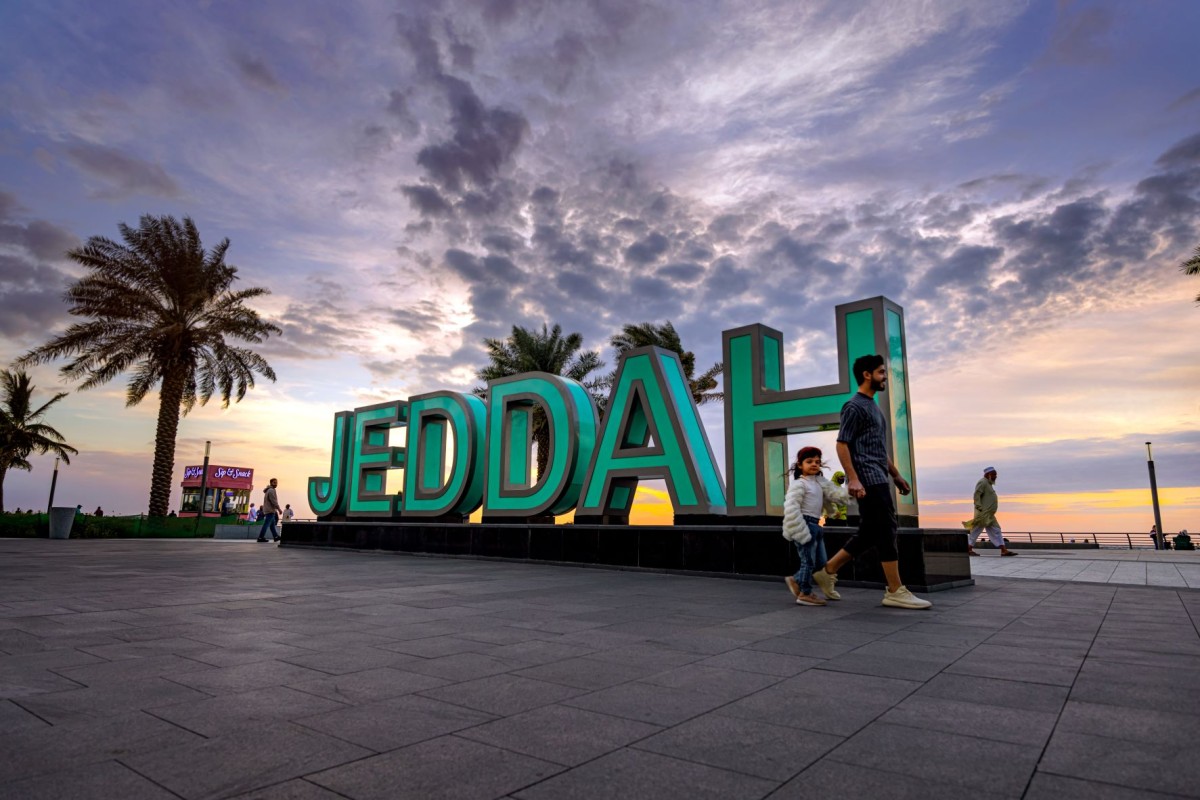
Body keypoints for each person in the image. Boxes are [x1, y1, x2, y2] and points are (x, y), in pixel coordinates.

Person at [810, 354, 932, 610]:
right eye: (881, 372)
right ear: (867, 374)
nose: (885, 376)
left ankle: (827, 571)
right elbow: (842, 443)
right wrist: (853, 478)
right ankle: (895, 590)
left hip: (878, 475)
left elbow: (877, 448)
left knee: (869, 533)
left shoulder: (873, 407)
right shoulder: (854, 406)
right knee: (887, 528)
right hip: (867, 478)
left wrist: (896, 474)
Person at [782, 446, 849, 606]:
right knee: (808, 561)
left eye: (817, 462)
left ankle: (795, 579)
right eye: (809, 461)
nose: (814, 464)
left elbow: (835, 494)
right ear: (800, 465)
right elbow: (791, 507)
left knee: (820, 562)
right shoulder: (799, 484)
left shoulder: (820, 483)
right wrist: (799, 529)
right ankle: (805, 593)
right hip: (803, 524)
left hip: (816, 524)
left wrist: (851, 490)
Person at [963, 467, 1017, 557]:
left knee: (997, 530)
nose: (995, 477)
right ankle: (968, 549)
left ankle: (1004, 550)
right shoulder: (983, 482)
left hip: (990, 515)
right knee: (976, 531)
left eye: (996, 475)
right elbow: (977, 494)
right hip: (983, 514)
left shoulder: (989, 484)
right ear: (988, 475)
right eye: (994, 475)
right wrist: (979, 507)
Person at [257, 478, 282, 542]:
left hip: (269, 510)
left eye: (276, 482)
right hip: (270, 510)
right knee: (266, 524)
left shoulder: (269, 490)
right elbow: (274, 501)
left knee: (272, 525)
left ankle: (275, 536)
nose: (276, 484)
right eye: (274, 482)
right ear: (271, 483)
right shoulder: (271, 490)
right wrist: (279, 509)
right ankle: (260, 537)